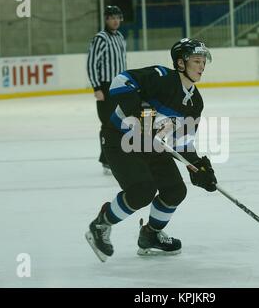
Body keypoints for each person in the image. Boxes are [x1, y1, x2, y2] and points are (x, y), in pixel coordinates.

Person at [85, 38, 218, 262]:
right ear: (181, 63)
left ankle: (150, 235)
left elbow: (182, 141)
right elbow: (119, 82)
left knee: (175, 190)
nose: (201, 66)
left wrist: (198, 167)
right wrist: (140, 109)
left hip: (151, 145)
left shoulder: (195, 102)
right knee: (142, 191)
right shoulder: (160, 77)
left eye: (203, 61)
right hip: (120, 139)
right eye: (196, 60)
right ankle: (101, 224)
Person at [87, 5, 127, 175]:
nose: (115, 21)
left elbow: (123, 62)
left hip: (120, 86)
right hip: (105, 86)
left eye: (118, 17)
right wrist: (97, 87)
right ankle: (107, 160)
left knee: (120, 122)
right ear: (106, 19)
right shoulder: (100, 38)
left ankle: (114, 157)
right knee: (107, 124)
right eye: (112, 17)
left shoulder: (120, 37)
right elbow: (91, 64)